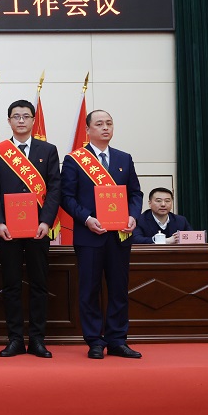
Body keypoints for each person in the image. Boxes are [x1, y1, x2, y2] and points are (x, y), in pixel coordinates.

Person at [61, 109, 144, 359]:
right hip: (90, 235)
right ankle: (95, 341)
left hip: (119, 235)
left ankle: (117, 339)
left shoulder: (124, 158)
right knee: (89, 289)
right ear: (87, 130)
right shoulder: (75, 160)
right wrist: (87, 219)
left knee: (118, 288)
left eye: (109, 123)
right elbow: (67, 197)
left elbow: (136, 193)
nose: (105, 127)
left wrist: (133, 216)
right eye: (99, 124)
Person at [0, 100, 61, 358]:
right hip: (8, 231)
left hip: (39, 229)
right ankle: (15, 339)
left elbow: (55, 188)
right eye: (16, 116)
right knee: (11, 285)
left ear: (33, 120)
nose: (21, 120)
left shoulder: (48, 150)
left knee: (39, 285)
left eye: (26, 116)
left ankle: (38, 340)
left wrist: (46, 221)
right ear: (8, 121)